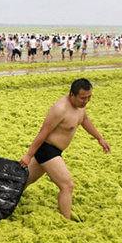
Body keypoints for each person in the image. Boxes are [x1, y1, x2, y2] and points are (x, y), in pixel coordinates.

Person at [19, 78, 111, 220]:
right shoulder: (60, 109)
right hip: (47, 150)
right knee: (67, 185)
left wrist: (100, 138)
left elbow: (85, 120)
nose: (86, 101)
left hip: (56, 151)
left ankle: (5, 196)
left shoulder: (80, 106)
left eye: (89, 97)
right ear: (72, 94)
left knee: (25, 180)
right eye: (83, 98)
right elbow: (43, 133)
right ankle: (66, 219)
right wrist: (28, 155)